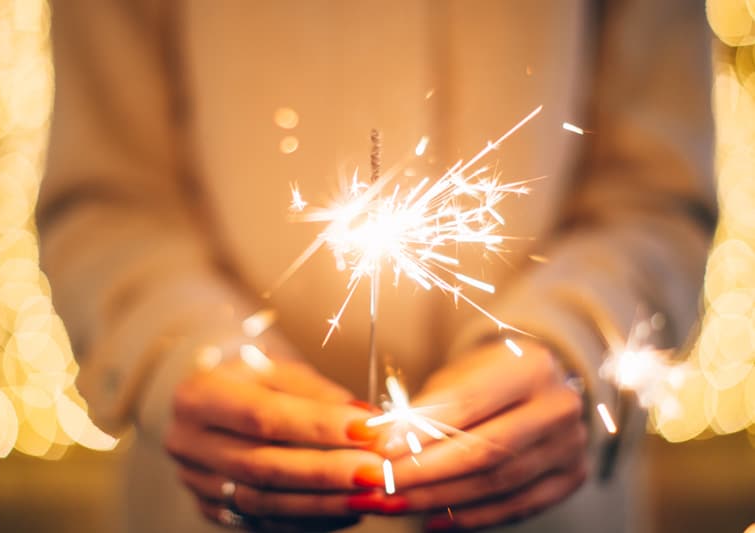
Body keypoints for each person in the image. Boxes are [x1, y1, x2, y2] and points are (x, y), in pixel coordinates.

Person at [39, 1, 715, 532]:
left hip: (543, 513)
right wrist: (182, 353)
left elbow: (657, 199)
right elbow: (103, 203)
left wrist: (574, 346)